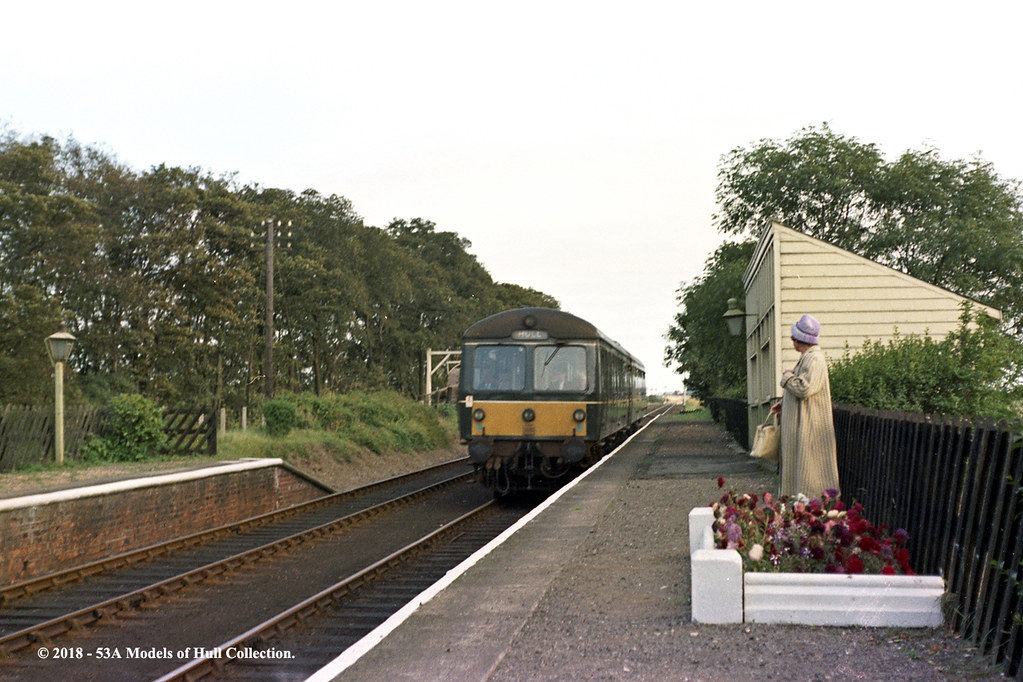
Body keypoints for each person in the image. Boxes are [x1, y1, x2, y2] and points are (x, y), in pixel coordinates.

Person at [769, 314, 840, 498]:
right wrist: (785, 404)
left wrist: (787, 377)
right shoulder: (807, 358)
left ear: (800, 339)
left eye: (793, 338)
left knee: (810, 471)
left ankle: (811, 505)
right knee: (800, 467)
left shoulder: (815, 359)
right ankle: (798, 504)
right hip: (801, 424)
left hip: (809, 425)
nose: (792, 342)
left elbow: (805, 388)